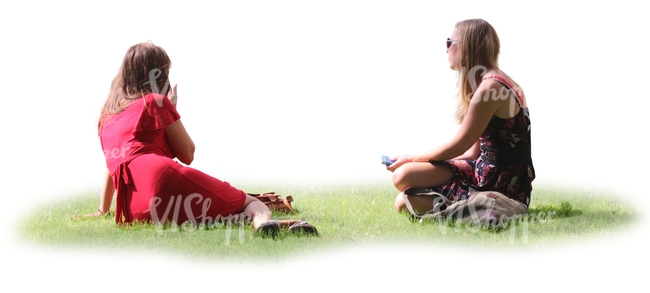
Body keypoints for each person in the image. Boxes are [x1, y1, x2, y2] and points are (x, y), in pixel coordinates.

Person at [80, 41, 317, 237]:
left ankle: (284, 225)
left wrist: (103, 210)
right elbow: (187, 154)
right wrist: (171, 109)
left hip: (134, 208)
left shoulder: (108, 115)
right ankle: (264, 223)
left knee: (211, 217)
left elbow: (113, 165)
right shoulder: (155, 101)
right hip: (161, 179)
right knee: (250, 202)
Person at [386, 19, 535, 222]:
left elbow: (457, 146)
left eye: (450, 42)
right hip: (481, 172)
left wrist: (412, 158)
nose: (446, 49)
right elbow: (473, 152)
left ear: (466, 46)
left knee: (403, 197)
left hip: (503, 186)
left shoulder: (490, 88)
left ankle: (468, 207)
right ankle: (460, 206)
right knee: (402, 176)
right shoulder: (486, 84)